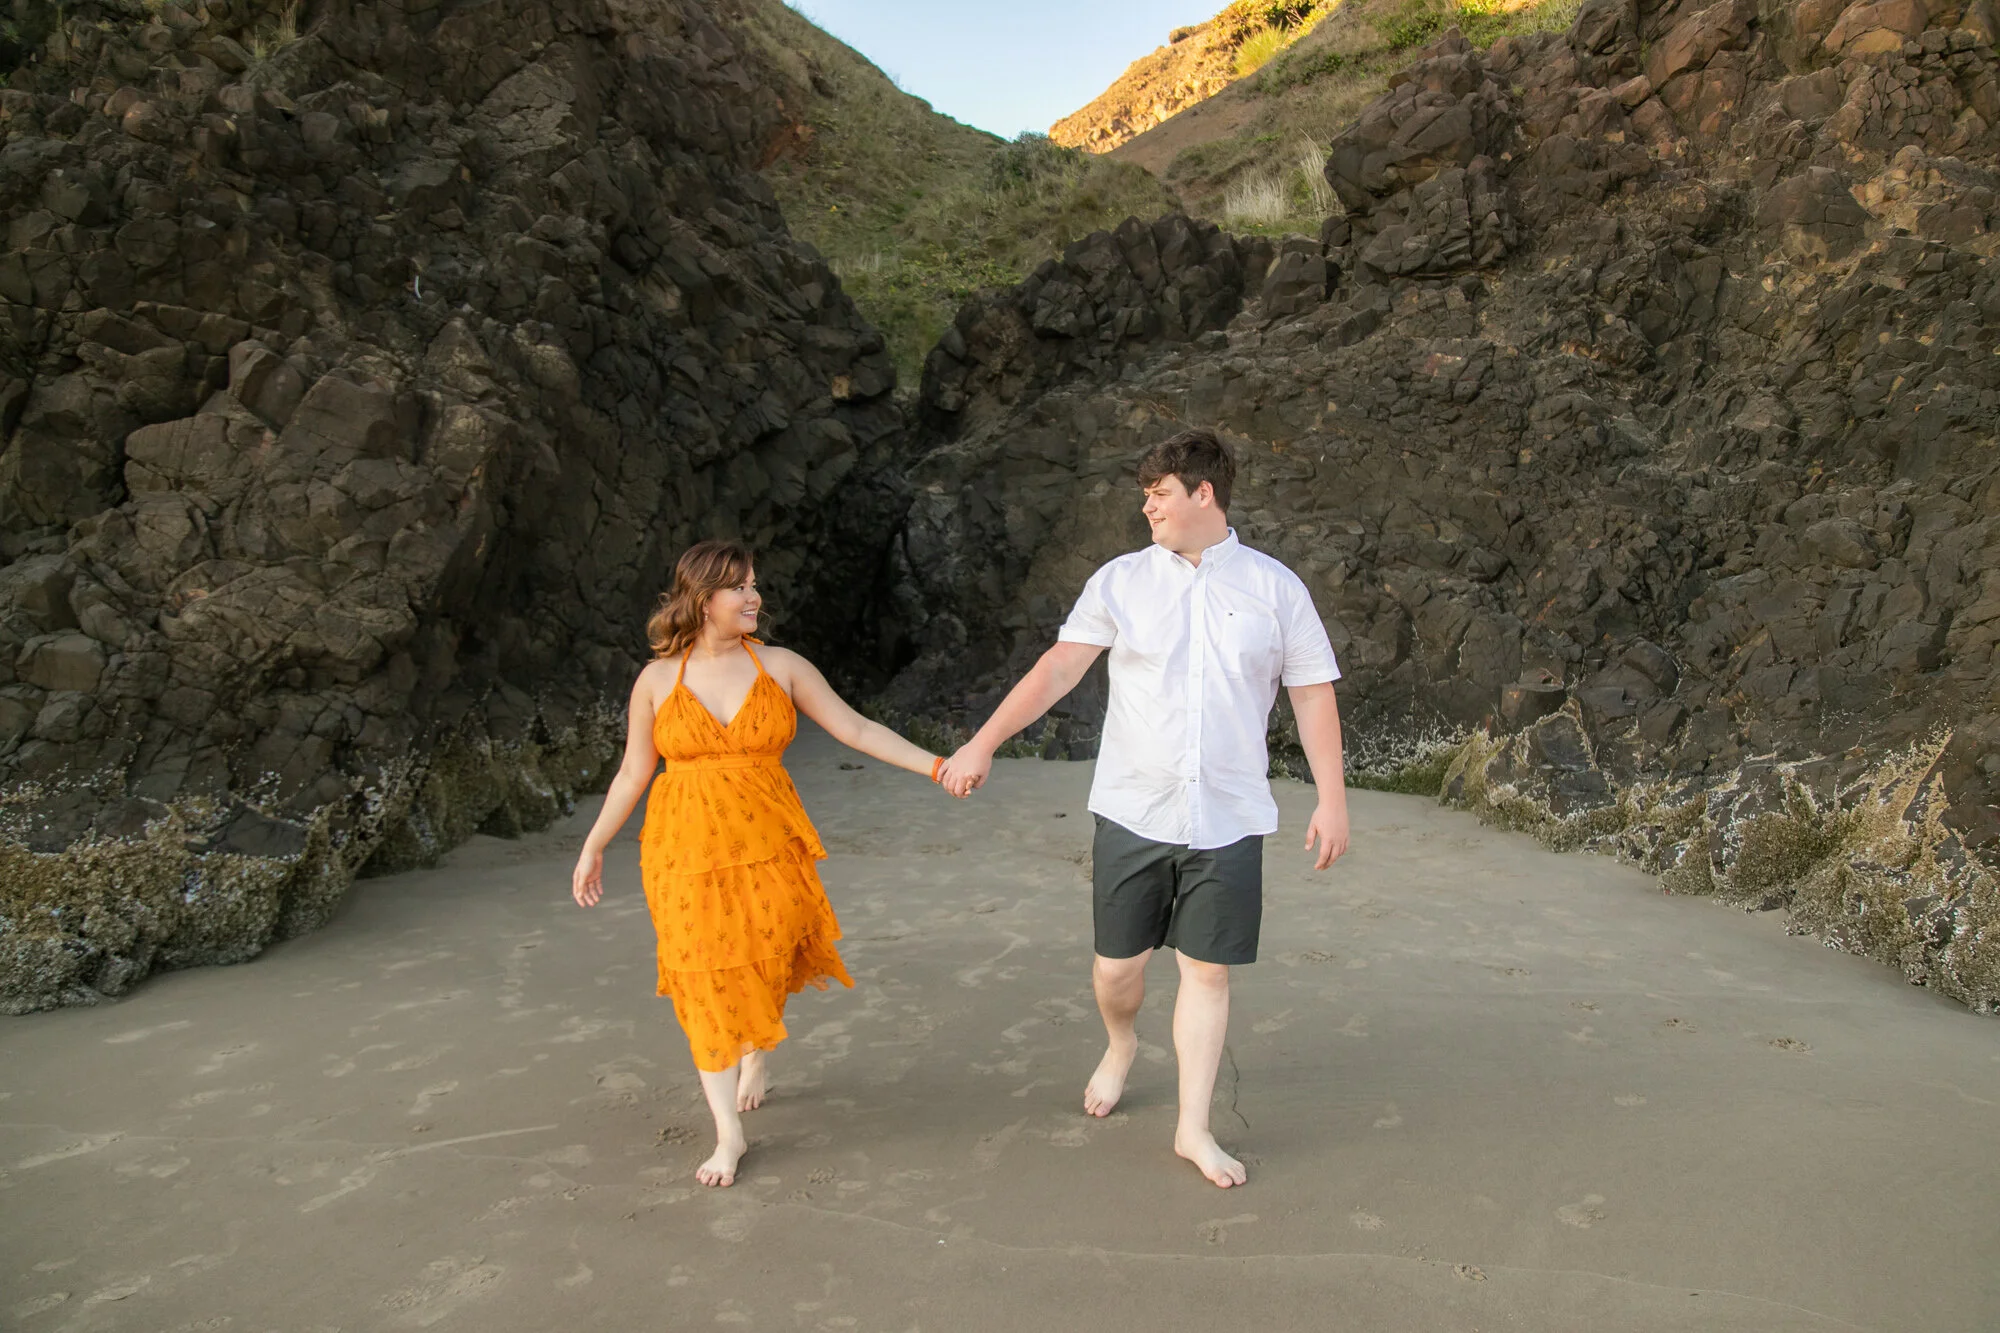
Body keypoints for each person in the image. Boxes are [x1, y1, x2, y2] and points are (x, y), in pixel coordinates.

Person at [939, 428, 1350, 1189]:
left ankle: (1193, 1127)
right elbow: (1060, 666)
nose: (1147, 505)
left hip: (1228, 817)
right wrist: (984, 741)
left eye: (1159, 491)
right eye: (1145, 494)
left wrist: (1332, 799)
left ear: (1203, 493)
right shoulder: (1120, 581)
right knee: (1116, 969)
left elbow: (1312, 692)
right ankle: (1121, 1042)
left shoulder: (1275, 588)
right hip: (1133, 810)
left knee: (1209, 974)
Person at [572, 540, 960, 1189]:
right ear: (702, 598)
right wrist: (594, 844)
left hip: (769, 842)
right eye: (740, 587)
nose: (755, 597)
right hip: (684, 852)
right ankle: (728, 1131)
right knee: (704, 973)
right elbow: (634, 771)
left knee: (769, 951)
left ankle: (755, 1051)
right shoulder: (657, 679)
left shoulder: (780, 666)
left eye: (755, 585)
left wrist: (937, 765)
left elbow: (856, 729)